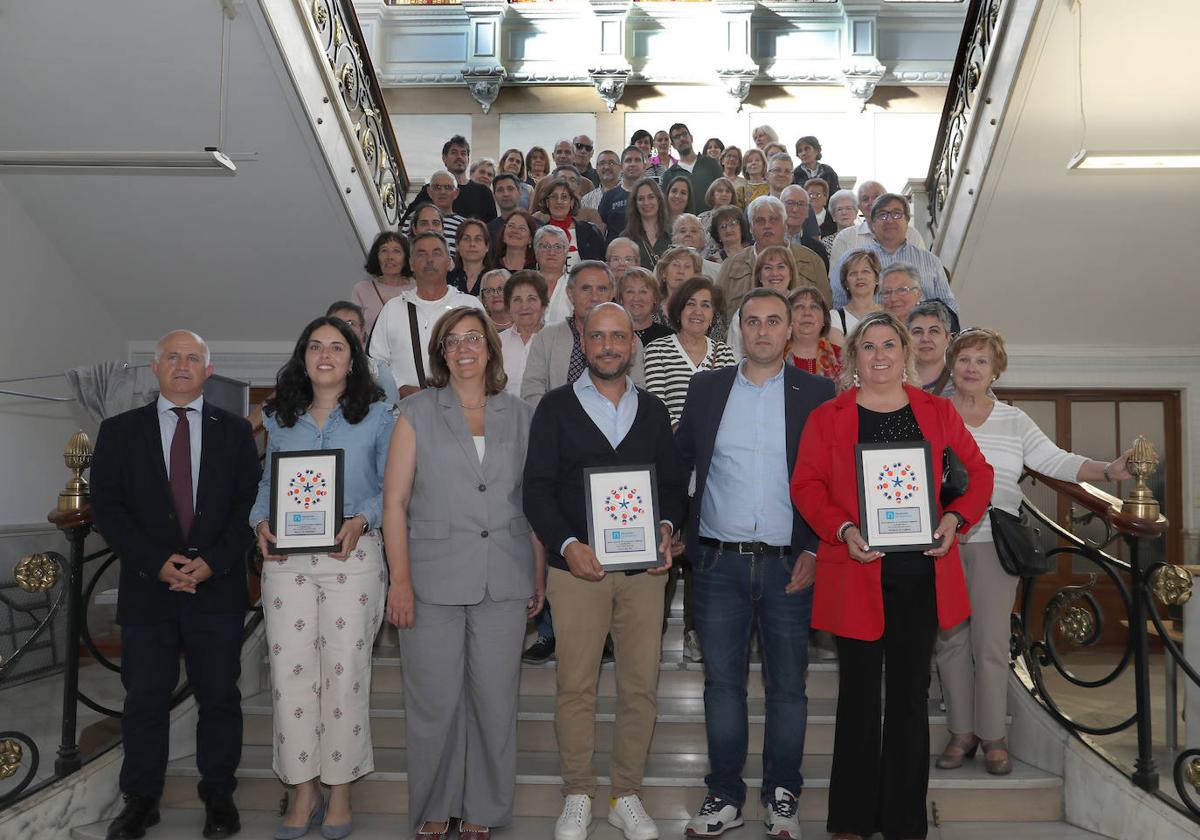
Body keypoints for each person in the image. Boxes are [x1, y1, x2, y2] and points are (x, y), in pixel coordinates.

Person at [790, 311, 994, 840]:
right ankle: (851, 820)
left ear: (905, 352)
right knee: (858, 697)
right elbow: (807, 485)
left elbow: (978, 475)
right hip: (856, 568)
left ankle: (904, 821)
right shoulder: (828, 416)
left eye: (888, 345)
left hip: (922, 572)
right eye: (868, 347)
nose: (879, 356)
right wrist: (841, 529)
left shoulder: (937, 411)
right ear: (853, 357)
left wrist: (955, 518)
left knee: (908, 697)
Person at [934, 328, 1134, 779]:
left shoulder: (1014, 420)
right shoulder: (933, 413)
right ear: (951, 365)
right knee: (949, 642)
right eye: (964, 359)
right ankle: (960, 732)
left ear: (995, 371)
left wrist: (1108, 469)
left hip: (993, 544)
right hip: (939, 544)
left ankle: (992, 737)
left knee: (988, 644)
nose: (971, 368)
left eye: (981, 361)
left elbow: (1055, 461)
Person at [522, 302, 686, 840]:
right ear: (583, 343)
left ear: (632, 344)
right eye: (598, 337)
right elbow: (536, 491)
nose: (609, 346)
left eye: (619, 336)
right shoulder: (554, 408)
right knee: (576, 686)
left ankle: (625, 793)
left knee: (640, 686)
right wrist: (567, 546)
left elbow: (672, 486)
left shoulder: (656, 410)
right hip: (577, 572)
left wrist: (664, 526)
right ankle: (577, 793)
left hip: (644, 575)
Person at [675, 287, 834, 840]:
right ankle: (724, 795)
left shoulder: (818, 393)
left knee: (788, 686)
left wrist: (816, 548)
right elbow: (679, 464)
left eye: (774, 321)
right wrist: (670, 526)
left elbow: (831, 482)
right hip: (718, 565)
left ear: (791, 329)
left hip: (791, 566)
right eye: (752, 322)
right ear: (737, 330)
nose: (762, 331)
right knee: (722, 686)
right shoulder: (707, 388)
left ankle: (782, 795)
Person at [91, 330, 259, 840]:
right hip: (148, 589)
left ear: (208, 371)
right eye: (173, 357)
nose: (183, 366)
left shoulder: (235, 432)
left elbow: (247, 507)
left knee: (219, 697)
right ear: (155, 367)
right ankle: (141, 800)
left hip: (218, 588)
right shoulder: (118, 432)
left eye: (193, 358)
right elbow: (108, 510)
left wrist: (212, 561)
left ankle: (218, 796)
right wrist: (156, 563)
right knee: (144, 698)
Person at [383, 308, 541, 840]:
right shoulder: (416, 412)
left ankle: (483, 807)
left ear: (491, 349)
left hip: (506, 574)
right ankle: (434, 803)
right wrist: (399, 581)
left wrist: (538, 576)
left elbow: (532, 502)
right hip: (430, 579)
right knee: (433, 700)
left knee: (495, 700)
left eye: (474, 337)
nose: (464, 347)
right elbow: (395, 502)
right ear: (440, 353)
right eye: (453, 341)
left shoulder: (520, 414)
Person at [249, 317, 392, 840]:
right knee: (290, 679)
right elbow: (268, 482)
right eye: (315, 347)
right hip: (286, 564)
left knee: (345, 672)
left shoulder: (378, 416)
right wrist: (259, 522)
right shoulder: (279, 418)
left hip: (350, 559)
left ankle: (340, 791)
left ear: (353, 360)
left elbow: (392, 488)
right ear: (302, 357)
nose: (325, 355)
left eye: (337, 347)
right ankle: (303, 785)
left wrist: (362, 519)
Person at [369, 232, 484, 397]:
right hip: (407, 411)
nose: (429, 260)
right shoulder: (392, 309)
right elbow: (375, 365)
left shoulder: (470, 306)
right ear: (411, 264)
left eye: (436, 253)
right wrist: (399, 389)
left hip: (463, 408)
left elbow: (487, 356)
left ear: (449, 262)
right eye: (421, 254)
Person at [520, 261, 646, 407]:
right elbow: (531, 391)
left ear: (612, 293)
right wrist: (557, 422)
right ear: (570, 293)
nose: (594, 297)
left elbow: (637, 389)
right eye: (586, 289)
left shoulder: (627, 339)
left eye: (602, 289)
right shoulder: (547, 337)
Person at [831, 193, 956, 312]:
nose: (889, 220)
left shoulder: (931, 261)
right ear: (872, 224)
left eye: (897, 214)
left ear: (907, 221)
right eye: (882, 215)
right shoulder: (849, 261)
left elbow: (949, 307)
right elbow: (838, 307)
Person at [717, 195, 830, 320]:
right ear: (750, 228)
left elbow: (826, 309)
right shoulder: (731, 266)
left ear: (785, 225)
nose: (767, 226)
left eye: (774, 220)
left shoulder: (812, 261)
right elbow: (718, 315)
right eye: (760, 221)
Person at [643, 275, 737, 426]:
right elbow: (656, 404)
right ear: (679, 310)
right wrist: (682, 435)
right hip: (672, 443)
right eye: (690, 304)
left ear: (713, 315)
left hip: (713, 443)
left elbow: (730, 403)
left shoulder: (724, 352)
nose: (697, 312)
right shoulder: (657, 350)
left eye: (705, 305)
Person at [725, 245, 805, 357]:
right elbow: (735, 356)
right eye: (767, 268)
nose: (775, 273)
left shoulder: (804, 312)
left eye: (781, 267)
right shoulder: (742, 314)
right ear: (759, 276)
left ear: (791, 274)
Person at [828, 180, 927, 268]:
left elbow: (924, 272)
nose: (872, 202)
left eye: (877, 197)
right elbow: (836, 281)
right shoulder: (845, 237)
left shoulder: (911, 234)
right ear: (859, 207)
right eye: (865, 199)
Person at [404, 136, 497, 224]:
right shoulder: (431, 189)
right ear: (444, 158)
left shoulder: (484, 192)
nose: (459, 157)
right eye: (454, 152)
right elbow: (404, 223)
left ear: (468, 159)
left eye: (463, 153)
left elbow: (491, 230)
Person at [327, 300, 401, 406]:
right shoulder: (314, 365)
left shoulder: (378, 370)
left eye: (350, 323)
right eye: (337, 322)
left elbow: (392, 413)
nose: (343, 328)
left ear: (362, 332)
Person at [653, 246, 727, 342]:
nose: (681, 271)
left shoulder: (709, 311)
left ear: (695, 275)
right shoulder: (652, 311)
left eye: (687, 267)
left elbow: (718, 345)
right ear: (663, 273)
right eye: (676, 265)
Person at [536, 176, 606, 269]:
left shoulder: (590, 231)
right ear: (547, 203)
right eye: (554, 197)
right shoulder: (539, 235)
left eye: (564, 197)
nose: (559, 201)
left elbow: (601, 266)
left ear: (572, 203)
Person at [351, 231, 411, 337]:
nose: (389, 257)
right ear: (376, 257)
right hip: (370, 352)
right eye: (384, 251)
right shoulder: (361, 289)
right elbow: (352, 328)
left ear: (406, 258)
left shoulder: (418, 288)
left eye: (396, 251)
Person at [500, 270, 548, 396]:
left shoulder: (555, 341)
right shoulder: (497, 343)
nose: (524, 306)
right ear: (508, 307)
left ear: (543, 305)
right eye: (517, 300)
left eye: (531, 299)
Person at [660, 123, 722, 214]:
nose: (682, 138)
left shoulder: (711, 164)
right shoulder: (669, 175)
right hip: (684, 226)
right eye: (677, 137)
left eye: (684, 134)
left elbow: (723, 193)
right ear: (672, 145)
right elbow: (666, 207)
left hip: (712, 223)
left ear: (691, 138)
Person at [788, 286, 843, 379]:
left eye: (814, 307)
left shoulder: (842, 358)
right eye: (799, 307)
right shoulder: (774, 356)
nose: (807, 313)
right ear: (787, 317)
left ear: (824, 319)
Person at [598, 145, 647, 242]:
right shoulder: (609, 196)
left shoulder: (652, 196)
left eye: (637, 160)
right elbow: (601, 229)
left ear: (644, 166)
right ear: (621, 167)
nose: (632, 164)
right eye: (628, 160)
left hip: (645, 251)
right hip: (615, 252)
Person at [409, 172, 463, 256]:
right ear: (429, 192)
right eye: (437, 187)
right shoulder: (412, 217)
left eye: (448, 187)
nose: (442, 192)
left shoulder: (464, 225)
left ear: (456, 193)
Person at [832, 249, 883, 337]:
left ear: (877, 279)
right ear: (846, 283)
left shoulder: (889, 315)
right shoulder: (835, 317)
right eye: (853, 273)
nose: (859, 277)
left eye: (865, 271)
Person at [907, 301, 955, 395]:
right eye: (917, 332)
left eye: (934, 331)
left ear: (948, 339)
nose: (925, 339)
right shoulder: (892, 381)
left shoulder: (963, 385)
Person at [619, 266, 673, 346]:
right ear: (621, 299)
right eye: (630, 291)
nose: (636, 298)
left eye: (643, 291)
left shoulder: (670, 338)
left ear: (655, 297)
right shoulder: (612, 335)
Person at [625, 177, 671, 268]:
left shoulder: (673, 234)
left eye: (651, 197)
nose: (646, 202)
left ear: (659, 200)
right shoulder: (626, 238)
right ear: (635, 203)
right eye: (641, 199)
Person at [780, 184, 829, 268]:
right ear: (779, 207)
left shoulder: (817, 249)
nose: (795, 209)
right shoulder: (766, 243)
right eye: (790, 203)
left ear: (807, 212)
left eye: (801, 204)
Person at [535, 225, 574, 325]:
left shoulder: (576, 286)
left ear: (566, 252)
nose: (551, 252)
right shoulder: (523, 284)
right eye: (545, 246)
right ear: (536, 251)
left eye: (557, 247)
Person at [448, 218, 494, 296]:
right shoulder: (447, 280)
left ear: (487, 246)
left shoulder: (496, 279)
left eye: (478, 239)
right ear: (457, 245)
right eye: (466, 239)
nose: (472, 244)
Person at [670, 214, 721, 280]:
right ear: (674, 239)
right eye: (683, 231)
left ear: (703, 239)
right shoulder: (663, 267)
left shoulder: (717, 270)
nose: (688, 234)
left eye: (693, 231)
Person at [492, 208, 539, 273]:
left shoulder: (537, 269)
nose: (515, 231)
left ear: (530, 239)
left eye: (522, 228)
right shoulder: (491, 266)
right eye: (511, 226)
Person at [581, 150, 620, 214]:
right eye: (602, 163)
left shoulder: (630, 194)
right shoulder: (586, 200)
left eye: (611, 163)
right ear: (597, 168)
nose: (607, 167)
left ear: (620, 167)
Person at [489, 174, 526, 239]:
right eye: (500, 190)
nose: (506, 194)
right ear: (494, 196)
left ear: (519, 193)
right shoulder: (488, 231)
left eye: (510, 189)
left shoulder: (535, 226)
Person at [824, 188, 859, 256]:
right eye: (839, 209)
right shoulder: (826, 243)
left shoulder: (865, 237)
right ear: (833, 216)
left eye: (848, 208)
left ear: (856, 213)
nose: (844, 213)